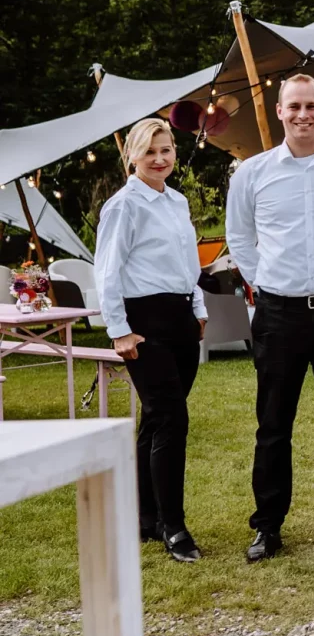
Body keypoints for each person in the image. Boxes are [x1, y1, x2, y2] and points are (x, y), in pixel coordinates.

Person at [227, 74, 314, 563]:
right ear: (279, 112)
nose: (303, 114)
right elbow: (239, 237)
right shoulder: (252, 174)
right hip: (278, 314)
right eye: (294, 106)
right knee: (273, 424)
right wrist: (265, 282)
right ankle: (268, 525)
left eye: (311, 106)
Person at [95, 118, 208, 563]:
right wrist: (119, 330)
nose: (159, 159)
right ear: (133, 157)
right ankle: (173, 526)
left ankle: (144, 517)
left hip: (181, 318)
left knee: (156, 421)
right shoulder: (123, 206)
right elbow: (107, 272)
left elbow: (187, 262)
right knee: (171, 421)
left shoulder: (177, 201)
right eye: (150, 152)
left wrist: (198, 307)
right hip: (143, 321)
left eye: (166, 150)